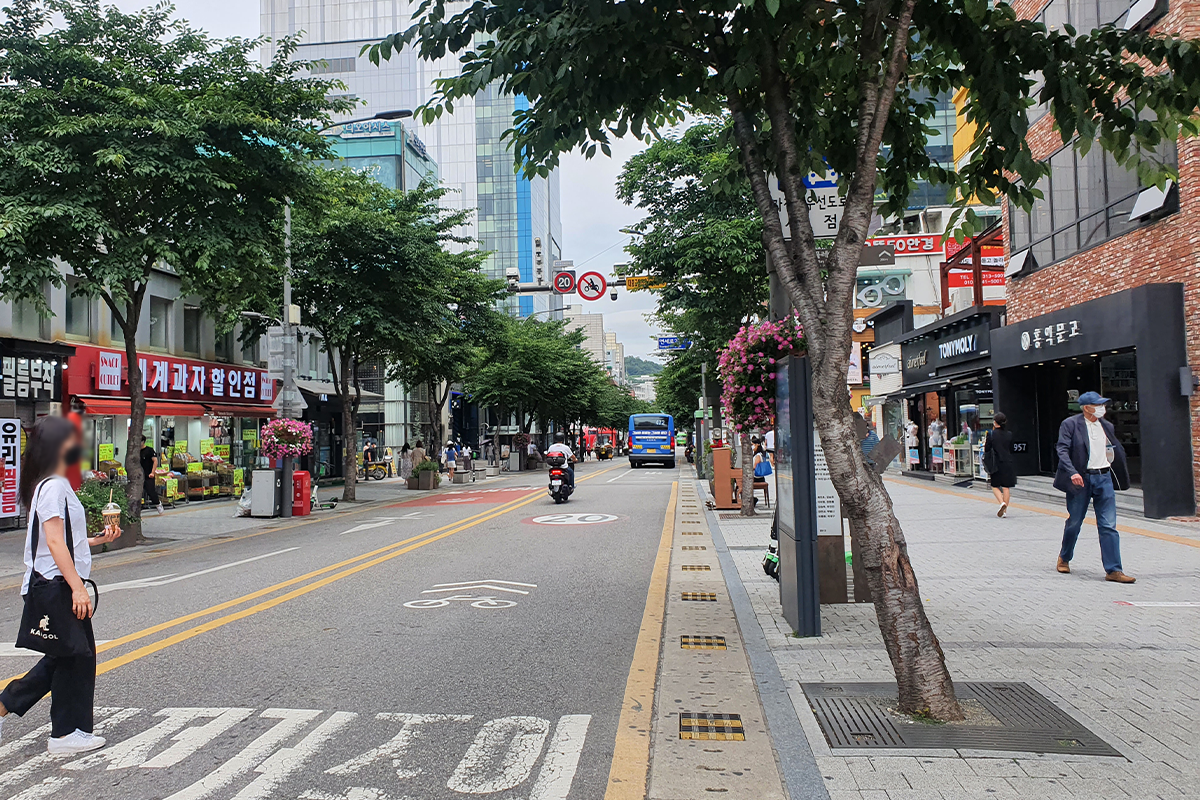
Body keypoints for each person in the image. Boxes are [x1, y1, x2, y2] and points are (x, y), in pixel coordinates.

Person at [0, 416, 120, 752]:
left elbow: (65, 540)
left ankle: (13, 709)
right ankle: (65, 734)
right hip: (57, 586)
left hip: (58, 581)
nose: (76, 446)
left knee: (69, 656)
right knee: (74, 656)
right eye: (70, 440)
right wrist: (78, 588)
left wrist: (96, 540)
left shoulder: (54, 484)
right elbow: (53, 542)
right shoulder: (52, 486)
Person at [1053, 391, 1134, 583]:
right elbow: (1062, 449)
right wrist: (1072, 472)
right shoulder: (1071, 424)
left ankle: (1114, 570)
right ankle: (1064, 557)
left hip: (1104, 477)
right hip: (1081, 479)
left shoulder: (1107, 426)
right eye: (1098, 405)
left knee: (1108, 525)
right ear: (1086, 407)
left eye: (1102, 405)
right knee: (1075, 521)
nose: (1102, 408)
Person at [983, 412, 1017, 517]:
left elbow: (987, 449)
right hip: (1008, 462)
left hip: (996, 463)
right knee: (1006, 487)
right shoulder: (1009, 434)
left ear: (995, 422)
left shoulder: (991, 434)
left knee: (995, 485)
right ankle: (1005, 511)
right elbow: (1012, 448)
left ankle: (1002, 503)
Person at [139, 435, 164, 515]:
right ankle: (139, 507)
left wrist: (152, 472)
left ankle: (158, 504)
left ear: (143, 442)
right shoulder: (135, 452)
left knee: (151, 491)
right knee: (139, 492)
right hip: (139, 475)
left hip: (149, 474)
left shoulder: (149, 450)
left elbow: (155, 461)